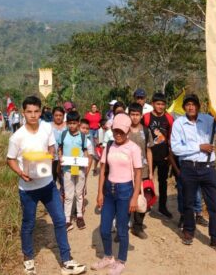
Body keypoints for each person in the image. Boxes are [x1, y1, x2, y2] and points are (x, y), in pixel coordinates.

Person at [6, 96, 86, 275]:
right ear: (23, 113)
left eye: (36, 111)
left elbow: (51, 147)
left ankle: (67, 261)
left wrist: (49, 156)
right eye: (29, 112)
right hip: (28, 189)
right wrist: (21, 173)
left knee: (60, 221)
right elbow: (10, 159)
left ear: (40, 112)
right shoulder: (17, 137)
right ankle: (28, 259)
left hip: (48, 185)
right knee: (28, 224)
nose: (33, 115)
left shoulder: (46, 128)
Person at [170, 94, 216, 253]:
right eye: (188, 104)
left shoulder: (209, 120)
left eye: (193, 104)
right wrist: (199, 147)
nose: (191, 107)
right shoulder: (178, 123)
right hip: (188, 167)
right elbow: (176, 148)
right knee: (188, 202)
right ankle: (189, 231)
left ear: (198, 106)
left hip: (208, 168)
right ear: (184, 107)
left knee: (215, 204)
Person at [92, 113, 142, 275]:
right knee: (104, 229)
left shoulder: (134, 148)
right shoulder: (109, 146)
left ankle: (121, 261)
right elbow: (103, 170)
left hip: (125, 192)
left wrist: (134, 197)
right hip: (109, 191)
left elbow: (138, 174)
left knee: (121, 230)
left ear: (128, 131)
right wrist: (100, 193)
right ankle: (108, 257)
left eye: (121, 131)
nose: (118, 134)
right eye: (115, 131)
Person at [143, 92, 176, 218]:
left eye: (162, 104)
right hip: (148, 155)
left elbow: (172, 137)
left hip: (164, 156)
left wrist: (170, 155)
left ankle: (162, 206)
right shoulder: (146, 117)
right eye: (158, 104)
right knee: (146, 181)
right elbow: (142, 135)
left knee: (163, 182)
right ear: (152, 104)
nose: (160, 106)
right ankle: (145, 204)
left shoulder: (169, 119)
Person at [58, 113, 93, 231]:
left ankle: (79, 216)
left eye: (74, 123)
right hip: (67, 169)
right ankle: (67, 219)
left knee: (79, 193)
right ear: (67, 123)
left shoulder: (82, 136)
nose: (72, 126)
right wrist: (60, 158)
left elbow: (85, 150)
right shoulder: (63, 134)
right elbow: (60, 149)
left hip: (80, 169)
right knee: (68, 195)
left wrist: (86, 162)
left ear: (78, 123)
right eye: (70, 123)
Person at [127, 102, 153, 239]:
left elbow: (148, 151)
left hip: (142, 171)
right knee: (125, 198)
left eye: (137, 114)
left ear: (141, 115)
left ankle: (138, 227)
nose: (135, 117)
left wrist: (151, 172)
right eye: (132, 114)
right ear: (129, 115)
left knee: (142, 199)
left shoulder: (146, 131)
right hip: (125, 170)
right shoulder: (124, 130)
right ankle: (123, 227)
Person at [51, 106, 67, 186]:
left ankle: (63, 192)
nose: (58, 117)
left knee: (64, 178)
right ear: (53, 116)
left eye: (60, 115)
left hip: (65, 156)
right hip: (52, 157)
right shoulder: (48, 126)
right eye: (56, 115)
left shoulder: (67, 126)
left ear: (63, 116)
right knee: (52, 177)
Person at [84, 103, 102, 174]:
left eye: (95, 107)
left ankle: (96, 157)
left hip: (97, 130)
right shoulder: (87, 115)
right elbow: (85, 123)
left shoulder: (98, 114)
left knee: (97, 144)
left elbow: (100, 122)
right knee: (91, 144)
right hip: (90, 130)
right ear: (91, 108)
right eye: (93, 107)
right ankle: (92, 156)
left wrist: (99, 125)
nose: (94, 108)